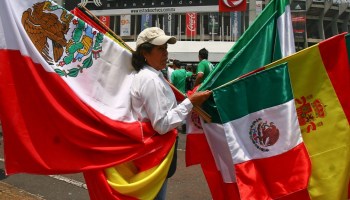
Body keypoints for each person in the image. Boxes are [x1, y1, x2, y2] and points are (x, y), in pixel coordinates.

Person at [130, 27, 212, 200]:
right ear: (145, 52)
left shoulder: (155, 75)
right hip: (154, 155)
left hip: (156, 154)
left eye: (166, 48)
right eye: (160, 48)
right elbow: (161, 124)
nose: (166, 53)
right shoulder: (150, 79)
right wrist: (190, 103)